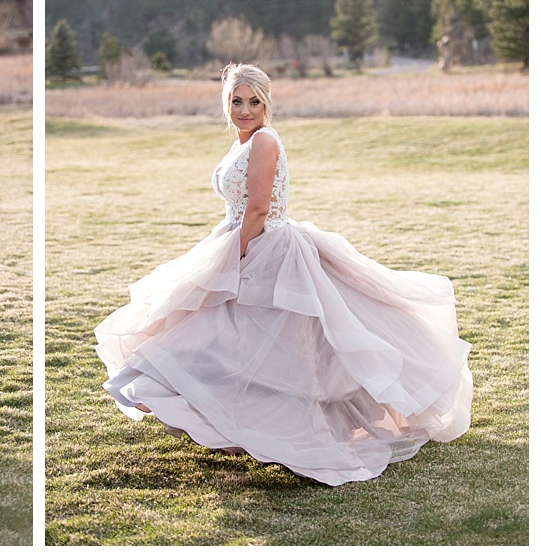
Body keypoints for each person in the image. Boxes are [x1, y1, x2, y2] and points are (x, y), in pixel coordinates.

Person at [94, 63, 472, 486]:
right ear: (226, 104)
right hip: (242, 237)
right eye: (237, 101)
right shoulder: (244, 141)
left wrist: (232, 260)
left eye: (254, 102)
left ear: (267, 104)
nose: (245, 109)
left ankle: (284, 423)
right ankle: (233, 415)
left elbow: (257, 208)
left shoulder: (264, 141)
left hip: (263, 246)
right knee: (226, 334)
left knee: (263, 338)